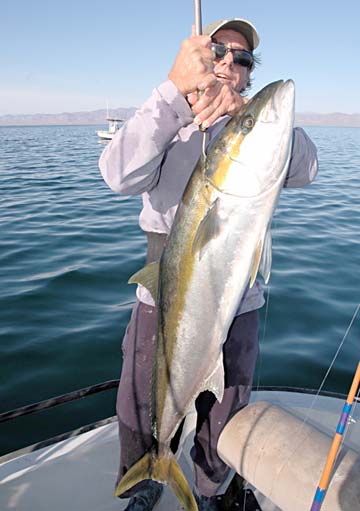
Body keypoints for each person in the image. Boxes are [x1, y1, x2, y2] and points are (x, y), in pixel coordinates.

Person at [99, 18, 318, 511]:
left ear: (246, 74)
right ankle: (147, 477)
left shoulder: (258, 136)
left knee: (224, 410)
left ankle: (210, 490)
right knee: (140, 404)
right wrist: (175, 92)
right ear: (200, 57)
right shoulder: (166, 121)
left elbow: (307, 166)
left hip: (239, 297)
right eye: (218, 51)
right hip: (164, 292)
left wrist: (242, 116)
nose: (228, 63)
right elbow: (116, 174)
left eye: (241, 59)